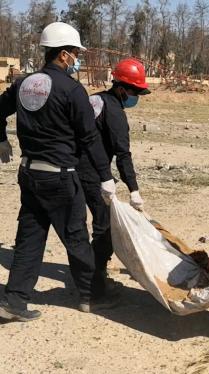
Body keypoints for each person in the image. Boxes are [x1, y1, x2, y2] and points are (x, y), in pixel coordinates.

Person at [0, 22, 116, 321]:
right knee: (76, 237)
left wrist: (1, 139)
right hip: (60, 177)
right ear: (63, 55)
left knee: (30, 235)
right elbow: (89, 138)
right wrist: (106, 177)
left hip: (29, 174)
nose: (77, 59)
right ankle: (91, 296)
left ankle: (15, 300)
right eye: (75, 54)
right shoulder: (72, 90)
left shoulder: (24, 84)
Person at [76, 58, 150, 298]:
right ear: (121, 88)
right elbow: (123, 154)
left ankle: (89, 276)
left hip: (72, 169)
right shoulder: (115, 111)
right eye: (134, 91)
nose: (136, 96)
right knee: (106, 228)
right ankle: (95, 290)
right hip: (92, 173)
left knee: (77, 227)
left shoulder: (94, 99)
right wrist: (134, 190)